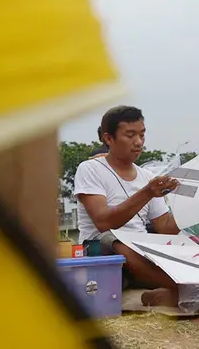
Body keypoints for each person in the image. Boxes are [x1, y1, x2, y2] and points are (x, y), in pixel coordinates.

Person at [73, 106, 182, 307]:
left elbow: (165, 227)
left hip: (140, 253)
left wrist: (198, 208)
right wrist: (147, 192)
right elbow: (103, 222)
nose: (138, 142)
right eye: (130, 135)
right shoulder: (90, 170)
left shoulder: (147, 177)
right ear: (109, 138)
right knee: (115, 240)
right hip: (102, 251)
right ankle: (184, 289)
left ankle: (169, 289)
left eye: (142, 135)